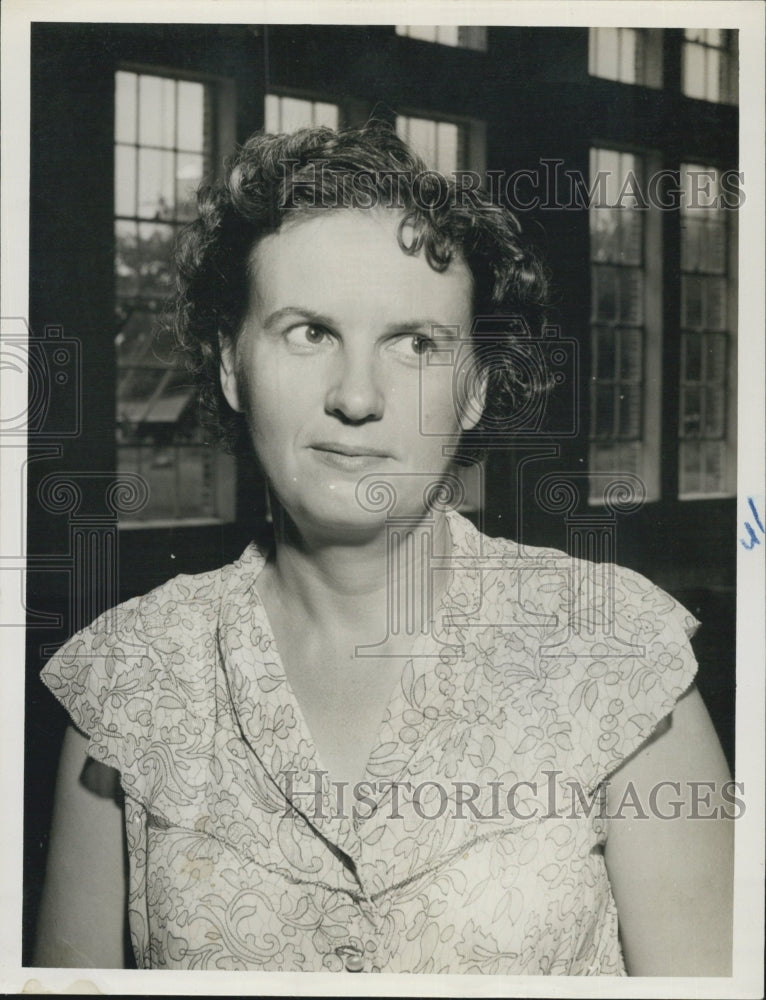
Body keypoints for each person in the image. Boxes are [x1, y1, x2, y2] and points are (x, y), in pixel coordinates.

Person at [35, 123, 734, 975]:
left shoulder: (621, 656)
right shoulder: (126, 681)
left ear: (474, 387)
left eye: (415, 344)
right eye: (309, 332)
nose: (357, 396)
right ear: (229, 365)